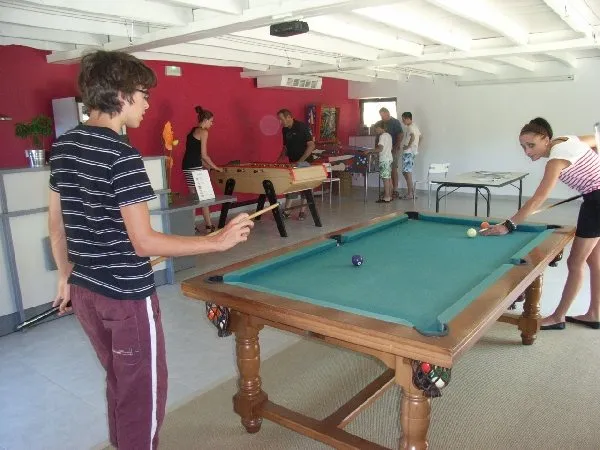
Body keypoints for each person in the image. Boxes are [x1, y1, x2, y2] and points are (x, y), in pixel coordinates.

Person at [48, 50, 254, 450]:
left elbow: (56, 228)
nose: (147, 104)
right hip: (125, 298)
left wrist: (63, 275)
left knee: (119, 381)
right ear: (121, 95)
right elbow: (143, 242)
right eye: (143, 95)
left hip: (85, 291)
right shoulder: (122, 155)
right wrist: (215, 241)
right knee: (142, 394)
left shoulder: (63, 147)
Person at [482, 117, 600, 331]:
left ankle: (558, 317)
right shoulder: (566, 139)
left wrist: (507, 225)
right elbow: (596, 139)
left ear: (546, 139)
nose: (527, 151)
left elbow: (538, 199)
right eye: (523, 147)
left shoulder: (556, 160)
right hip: (594, 199)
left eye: (531, 145)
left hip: (596, 203)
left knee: (575, 263)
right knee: (594, 259)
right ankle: (594, 313)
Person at [181, 105, 223, 234]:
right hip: (195, 167)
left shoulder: (193, 131)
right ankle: (209, 226)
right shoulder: (204, 132)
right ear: (205, 120)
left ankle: (191, 226)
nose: (212, 124)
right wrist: (217, 168)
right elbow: (204, 155)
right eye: (211, 121)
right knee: (205, 197)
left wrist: (208, 166)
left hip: (187, 166)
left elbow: (196, 154)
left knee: (194, 197)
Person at [277, 108, 315, 220]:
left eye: (281, 119)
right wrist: (279, 160)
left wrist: (301, 161)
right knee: (291, 185)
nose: (280, 122)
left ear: (289, 117)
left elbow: (311, 145)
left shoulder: (301, 127)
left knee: (305, 187)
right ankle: (287, 211)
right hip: (292, 162)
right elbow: (285, 147)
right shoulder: (284, 130)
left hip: (305, 162)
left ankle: (302, 211)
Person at [378, 107, 404, 197]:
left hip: (393, 150)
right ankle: (388, 190)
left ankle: (395, 189)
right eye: (381, 116)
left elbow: (400, 134)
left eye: (383, 116)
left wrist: (396, 147)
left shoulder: (395, 122)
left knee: (393, 169)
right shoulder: (381, 123)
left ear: (387, 113)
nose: (382, 118)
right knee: (386, 171)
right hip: (385, 151)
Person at [400, 112, 422, 200]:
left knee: (407, 173)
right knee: (405, 172)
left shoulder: (410, 127)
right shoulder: (415, 126)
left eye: (403, 119)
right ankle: (411, 192)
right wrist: (415, 147)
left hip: (408, 152)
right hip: (411, 152)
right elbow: (421, 137)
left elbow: (412, 137)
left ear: (408, 118)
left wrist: (408, 146)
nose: (402, 121)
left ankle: (410, 194)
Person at [373, 121, 394, 203]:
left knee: (385, 179)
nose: (375, 131)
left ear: (380, 128)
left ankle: (386, 197)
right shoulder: (389, 136)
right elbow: (390, 148)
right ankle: (390, 196)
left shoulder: (382, 136)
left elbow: (380, 149)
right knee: (388, 178)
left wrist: (370, 151)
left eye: (376, 129)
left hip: (384, 159)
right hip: (389, 158)